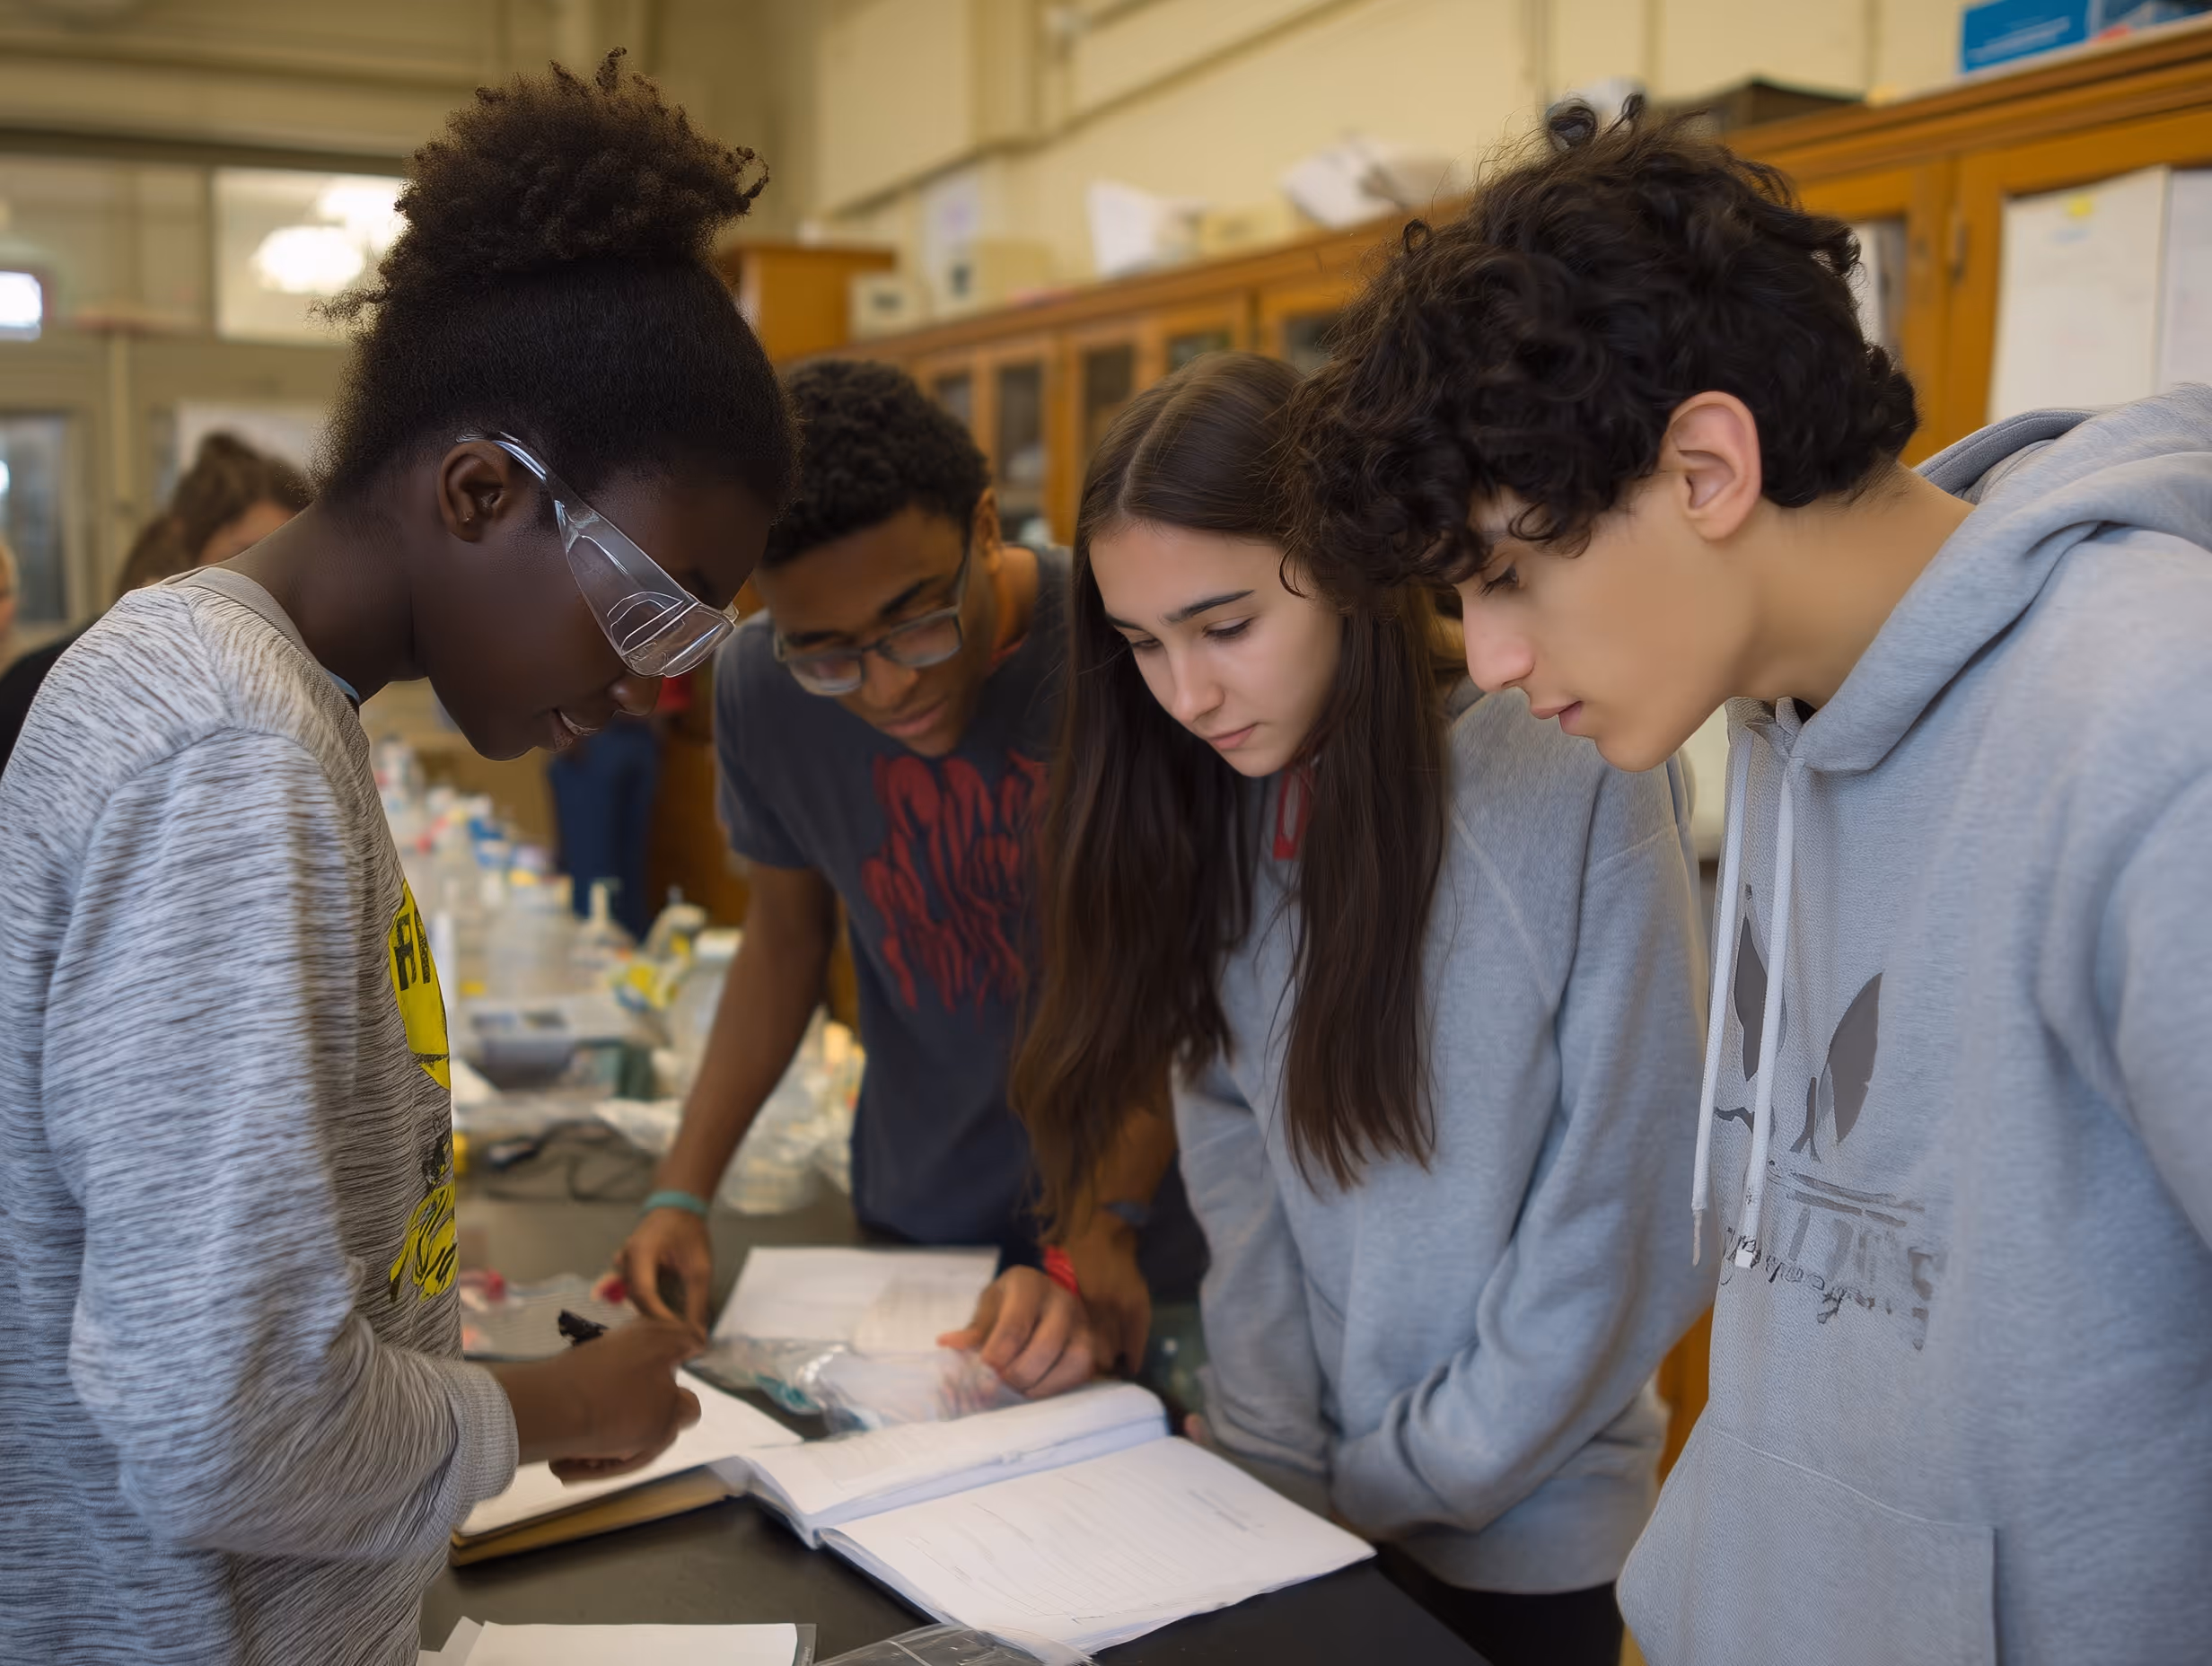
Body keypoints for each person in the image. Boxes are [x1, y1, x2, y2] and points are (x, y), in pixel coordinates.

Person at [1286, 106, 2212, 1666]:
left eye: (1506, 575)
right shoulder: (1787, 714)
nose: (1492, 659)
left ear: (1707, 465)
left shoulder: (2151, 714)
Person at [0, 52, 795, 1664]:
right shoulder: (233, 753)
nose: (652, 680)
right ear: (481, 488)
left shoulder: (248, 695)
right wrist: (554, 1399)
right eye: (650, 605)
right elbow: (220, 1426)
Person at [984, 353, 1714, 1666]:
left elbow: (1632, 1204)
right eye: (1143, 646)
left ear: (1352, 573)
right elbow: (1239, 1176)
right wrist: (1278, 1469)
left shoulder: (1565, 764)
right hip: (1291, 1503)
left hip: (1526, 1534)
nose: (1188, 695)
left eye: (1225, 626)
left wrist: (1384, 1483)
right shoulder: (1219, 789)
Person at [615, 358, 1203, 1386]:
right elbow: (784, 938)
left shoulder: (1129, 650)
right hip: (917, 1226)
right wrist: (682, 1191)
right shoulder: (761, 685)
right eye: (829, 652)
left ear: (984, 528)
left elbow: (1188, 981)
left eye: (916, 622)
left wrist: (1095, 1232)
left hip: (1139, 1238)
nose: (886, 686)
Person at [0, 433, 313, 776]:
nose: (267, 588)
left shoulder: (277, 678)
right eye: (245, 557)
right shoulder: (46, 683)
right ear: (188, 549)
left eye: (287, 565)